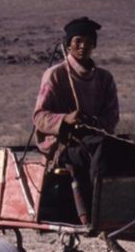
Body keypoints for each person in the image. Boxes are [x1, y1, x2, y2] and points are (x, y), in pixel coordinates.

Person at [32, 16, 119, 219]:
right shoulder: (55, 75)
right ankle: (99, 207)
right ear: (68, 44)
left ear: (95, 45)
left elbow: (112, 117)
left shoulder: (105, 78)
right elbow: (39, 116)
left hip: (95, 139)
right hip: (64, 146)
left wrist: (93, 123)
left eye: (89, 42)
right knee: (100, 148)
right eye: (78, 41)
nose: (83, 46)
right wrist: (65, 119)